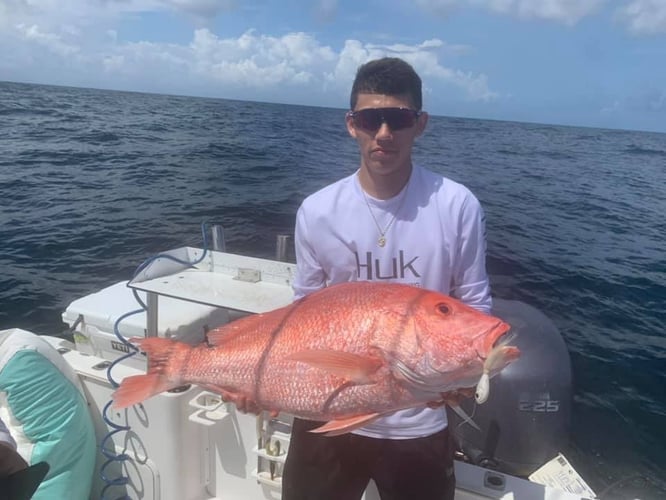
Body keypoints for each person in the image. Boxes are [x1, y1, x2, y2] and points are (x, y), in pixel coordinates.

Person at [281, 57, 492, 500]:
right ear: (351, 124)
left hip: (418, 423)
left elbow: (475, 303)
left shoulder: (457, 206)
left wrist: (468, 376)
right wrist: (261, 387)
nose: (383, 133)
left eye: (397, 119)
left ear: (420, 124)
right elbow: (301, 317)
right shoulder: (317, 211)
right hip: (328, 411)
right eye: (369, 118)